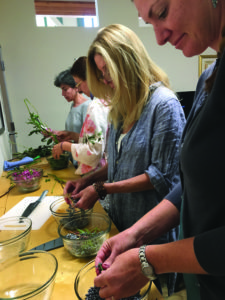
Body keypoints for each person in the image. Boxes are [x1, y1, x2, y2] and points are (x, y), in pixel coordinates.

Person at [93, 1, 225, 300]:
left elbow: (163, 176)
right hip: (205, 282)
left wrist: (149, 260)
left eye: (162, 12)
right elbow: (189, 185)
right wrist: (134, 235)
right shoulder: (208, 79)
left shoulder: (163, 103)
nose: (159, 39)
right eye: (148, 22)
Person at [64, 24, 185, 294]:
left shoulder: (163, 105)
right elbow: (116, 166)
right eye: (100, 74)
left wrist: (103, 189)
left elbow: (161, 178)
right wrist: (87, 180)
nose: (105, 80)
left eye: (108, 71)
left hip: (152, 239)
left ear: (127, 61)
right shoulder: (121, 107)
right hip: (122, 229)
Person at [52, 57, 110, 176]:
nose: (79, 89)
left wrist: (64, 145)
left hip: (96, 172)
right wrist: (70, 135)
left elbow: (93, 151)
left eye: (78, 84)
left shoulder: (95, 106)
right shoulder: (103, 102)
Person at [52, 69, 91, 143]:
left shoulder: (87, 106)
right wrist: (57, 134)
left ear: (76, 87)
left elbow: (90, 139)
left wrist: (69, 136)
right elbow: (73, 131)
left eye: (65, 89)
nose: (62, 94)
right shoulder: (73, 106)